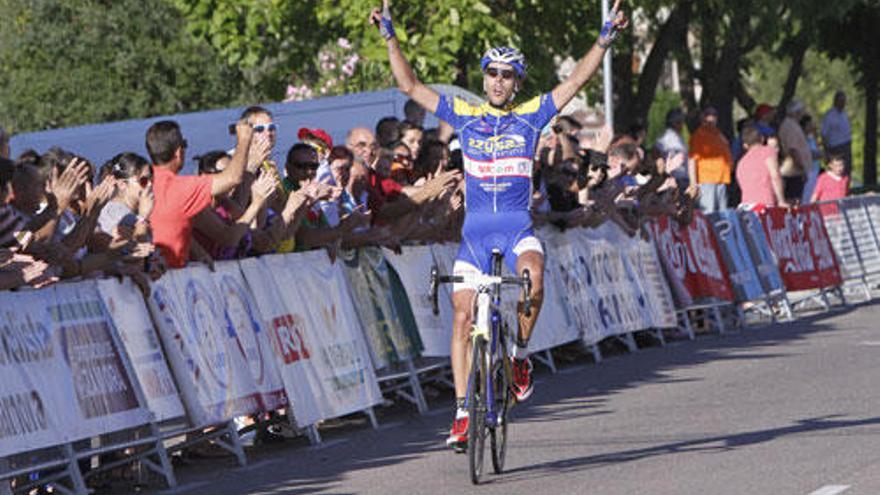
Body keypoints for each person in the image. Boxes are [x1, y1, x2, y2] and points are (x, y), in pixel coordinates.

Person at [370, 0, 628, 450]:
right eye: (492, 72)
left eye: (507, 75)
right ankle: (462, 413)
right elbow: (409, 85)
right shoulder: (464, 116)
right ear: (484, 78)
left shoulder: (530, 116)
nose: (498, 80)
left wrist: (604, 39)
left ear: (516, 83)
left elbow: (575, 81)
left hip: (516, 231)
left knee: (534, 279)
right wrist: (390, 36)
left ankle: (519, 357)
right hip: (474, 236)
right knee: (462, 316)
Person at [147, 119, 262, 268]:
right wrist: (244, 140)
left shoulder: (143, 184)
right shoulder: (182, 188)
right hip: (171, 275)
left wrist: (198, 251)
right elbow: (233, 178)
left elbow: (167, 225)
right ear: (179, 152)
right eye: (184, 144)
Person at [689, 106, 733, 213]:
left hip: (722, 180)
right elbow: (692, 160)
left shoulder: (718, 133)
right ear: (702, 117)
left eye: (714, 115)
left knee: (723, 215)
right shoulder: (698, 135)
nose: (711, 118)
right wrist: (693, 184)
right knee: (709, 214)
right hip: (707, 181)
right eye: (708, 115)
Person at [735, 126, 788, 209]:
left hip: (746, 206)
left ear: (745, 146)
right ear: (762, 139)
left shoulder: (741, 162)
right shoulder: (768, 152)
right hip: (765, 204)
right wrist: (781, 201)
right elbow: (775, 176)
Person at [777, 100, 812, 204]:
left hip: (795, 170)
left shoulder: (793, 125)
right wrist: (802, 168)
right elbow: (793, 150)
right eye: (801, 111)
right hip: (793, 171)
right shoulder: (790, 127)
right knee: (794, 201)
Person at [654, 108, 691, 189]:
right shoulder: (674, 140)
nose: (682, 125)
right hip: (677, 180)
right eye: (681, 122)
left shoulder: (663, 138)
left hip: (673, 179)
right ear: (676, 123)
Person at [821, 90, 853, 177]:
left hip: (846, 146)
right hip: (836, 148)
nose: (843, 103)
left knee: (847, 171)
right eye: (841, 101)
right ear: (835, 101)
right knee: (838, 171)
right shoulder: (829, 116)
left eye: (844, 101)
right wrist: (826, 151)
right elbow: (824, 134)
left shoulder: (844, 114)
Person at [800, 114, 822, 204]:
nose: (811, 127)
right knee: (807, 194)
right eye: (809, 125)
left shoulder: (811, 138)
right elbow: (807, 154)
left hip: (815, 168)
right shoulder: (802, 139)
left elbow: (817, 149)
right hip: (808, 170)